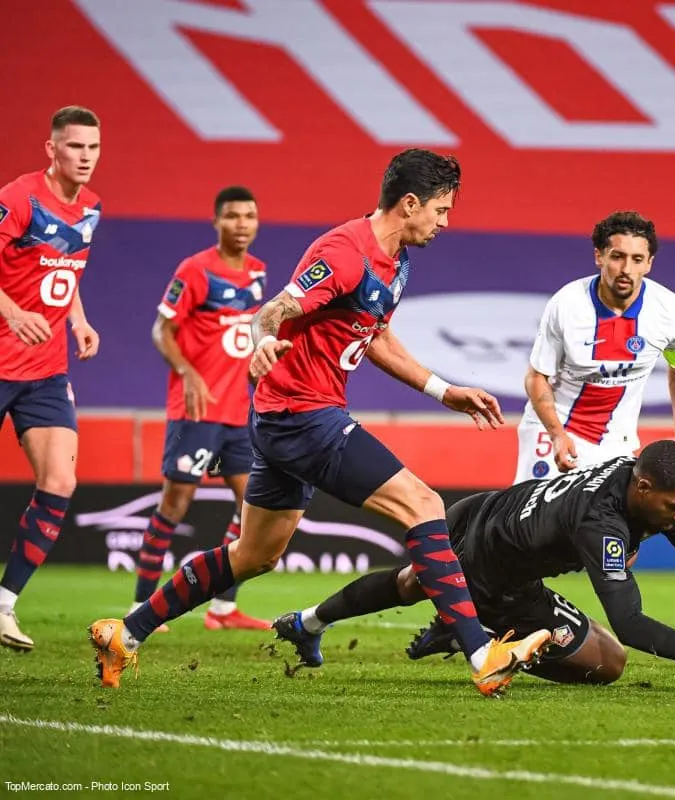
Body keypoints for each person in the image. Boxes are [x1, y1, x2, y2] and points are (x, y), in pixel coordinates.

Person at [88, 149, 551, 695]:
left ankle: (127, 633)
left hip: (290, 418)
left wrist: (441, 389)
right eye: (441, 210)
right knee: (424, 505)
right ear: (409, 204)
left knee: (254, 555)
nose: (445, 221)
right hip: (302, 416)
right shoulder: (344, 253)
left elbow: (374, 334)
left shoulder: (396, 259)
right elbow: (273, 311)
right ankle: (482, 655)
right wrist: (262, 344)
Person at [274, 441, 675, 689]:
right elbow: (629, 623)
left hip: (481, 509)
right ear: (644, 488)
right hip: (498, 572)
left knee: (411, 581)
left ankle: (308, 622)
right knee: (608, 662)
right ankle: (481, 624)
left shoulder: (643, 484)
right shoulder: (601, 524)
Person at [128, 186, 269, 633]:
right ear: (217, 222)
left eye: (249, 215)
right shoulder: (195, 270)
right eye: (232, 216)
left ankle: (222, 609)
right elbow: (160, 331)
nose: (242, 223)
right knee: (175, 505)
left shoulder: (258, 274)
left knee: (253, 506)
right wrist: (188, 372)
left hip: (238, 413)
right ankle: (139, 605)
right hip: (197, 410)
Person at [0, 106, 103, 651]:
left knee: (60, 482)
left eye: (93, 147)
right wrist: (11, 312)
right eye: (75, 147)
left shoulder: (90, 207)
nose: (85, 157)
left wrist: (79, 320)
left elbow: (65, 269)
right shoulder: (19, 198)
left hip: (44, 371)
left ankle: (4, 606)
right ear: (51, 149)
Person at [515, 211, 675, 483]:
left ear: (649, 264)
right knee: (534, 521)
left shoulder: (671, 312)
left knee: (606, 525)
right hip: (554, 428)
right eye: (617, 256)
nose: (626, 270)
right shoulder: (567, 305)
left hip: (616, 444)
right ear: (599, 257)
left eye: (637, 259)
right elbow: (537, 376)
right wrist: (557, 435)